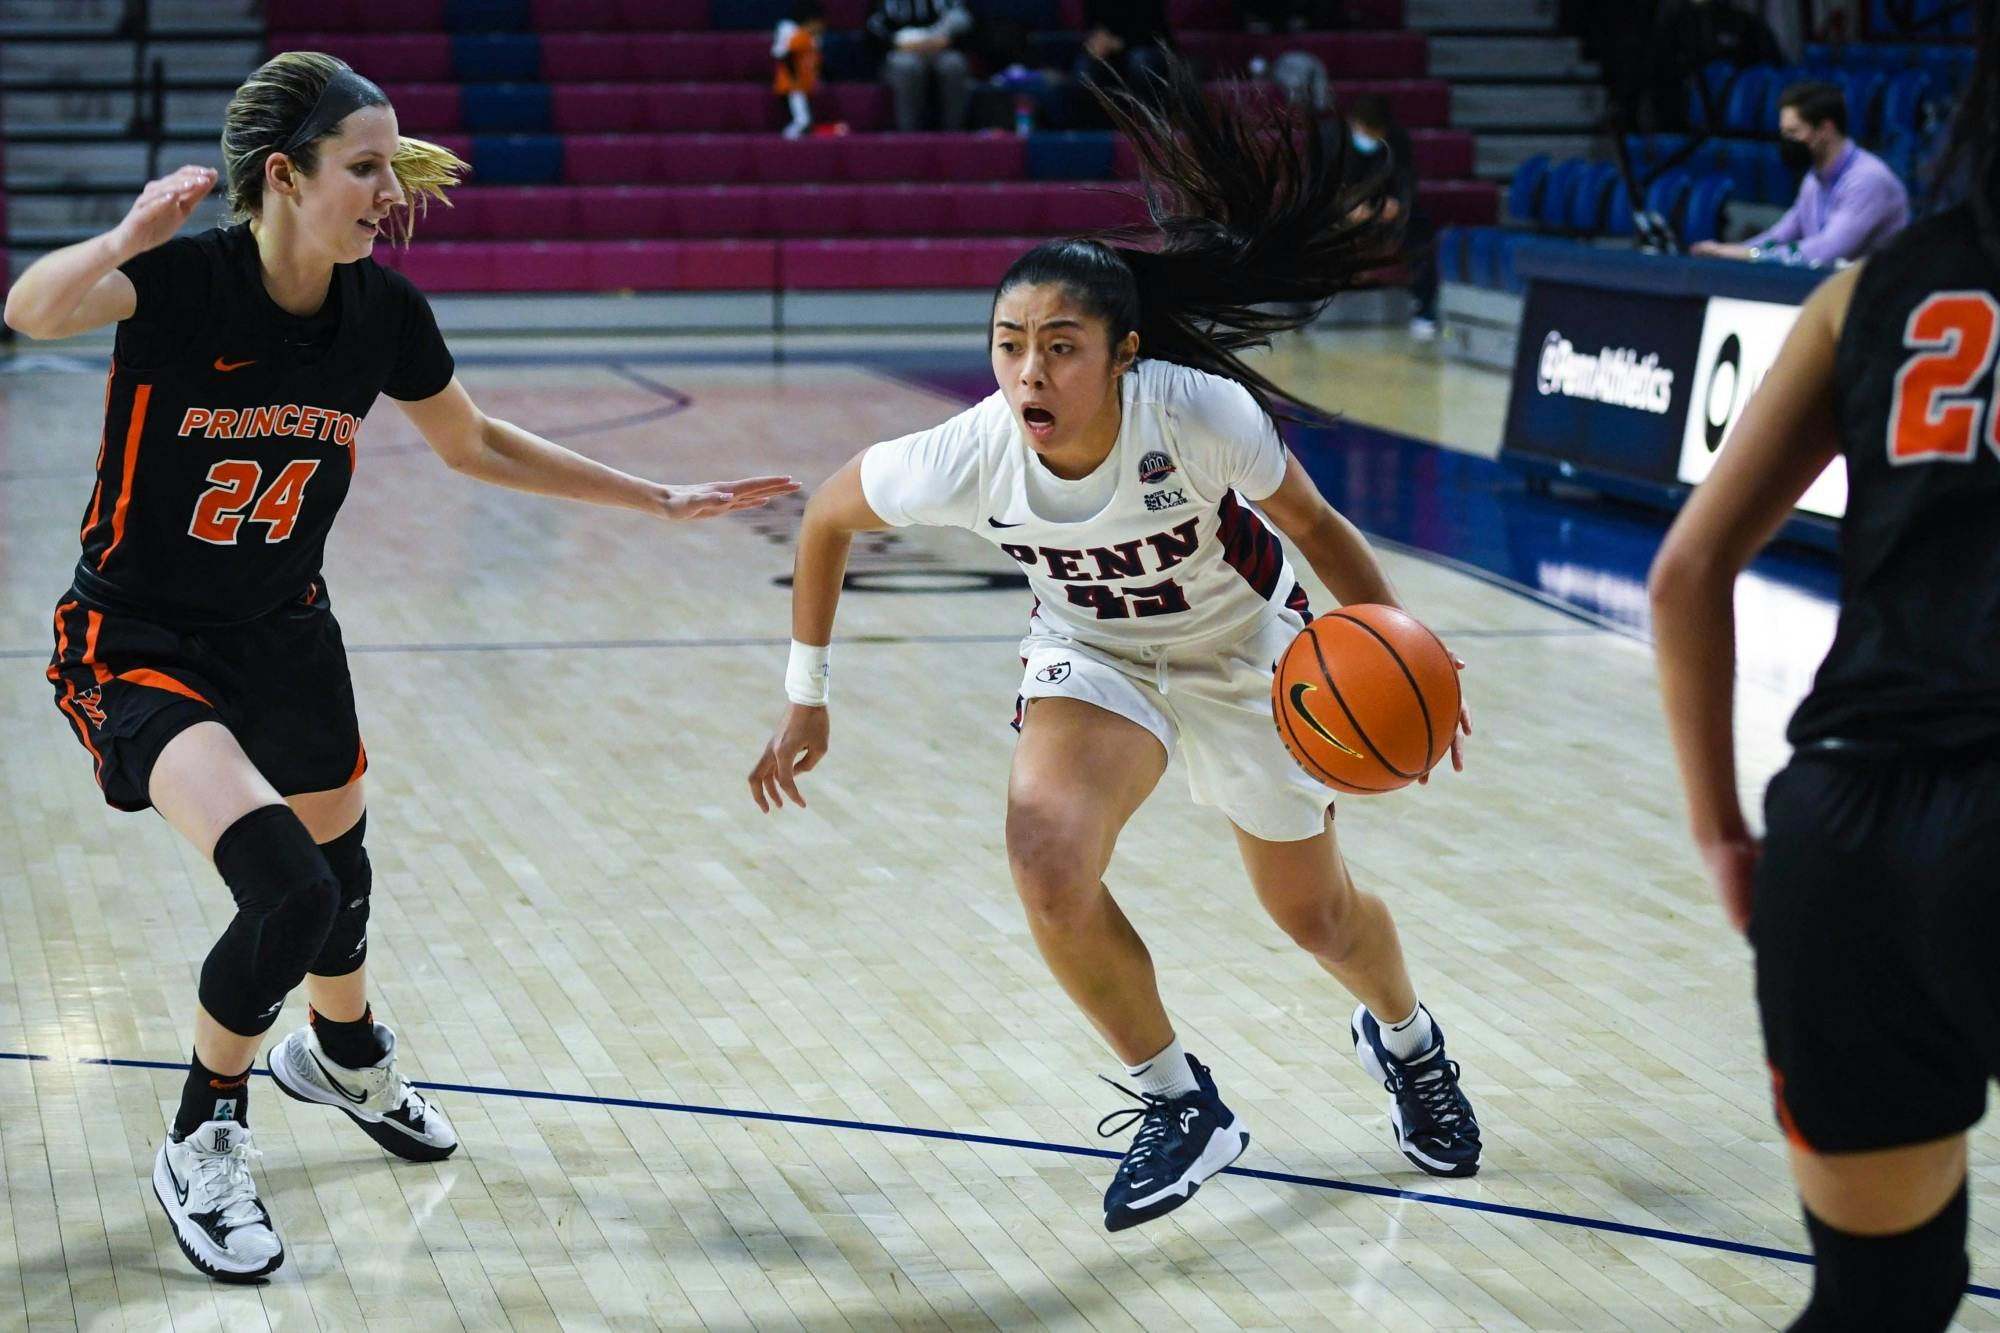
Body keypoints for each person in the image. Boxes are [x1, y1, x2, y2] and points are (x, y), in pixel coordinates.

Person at [3, 52, 796, 1283]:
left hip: (286, 632)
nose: (390, 189)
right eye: (363, 168)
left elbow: (470, 442)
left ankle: (343, 1052)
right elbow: (31, 312)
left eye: (389, 164)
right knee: (288, 894)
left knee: (341, 873)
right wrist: (125, 232)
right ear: (285, 176)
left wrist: (654, 496)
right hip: (138, 640)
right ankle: (204, 1132)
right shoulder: (185, 284)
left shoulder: (381, 308)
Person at [749, 55, 1482, 1234]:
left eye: (1060, 345)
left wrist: (1406, 659)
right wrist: (808, 692)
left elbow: (1317, 529)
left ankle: (1407, 1039)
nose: (1028, 369)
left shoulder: (1197, 416)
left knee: (1313, 917)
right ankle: (1178, 1102)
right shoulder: (969, 451)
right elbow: (830, 515)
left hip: (1248, 651)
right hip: (1094, 653)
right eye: (1007, 342)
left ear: (1125, 352)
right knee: (1044, 852)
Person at [1648, 10, 2000, 1328]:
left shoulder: (1878, 283)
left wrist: (1725, 833)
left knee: (1879, 1303)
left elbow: (1686, 572)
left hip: (1843, 836)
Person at [1692, 80, 1909, 263]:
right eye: (1784, 133)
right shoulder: (1814, 179)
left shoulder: (1868, 179)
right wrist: (1728, 252)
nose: (1787, 141)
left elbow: (1827, 250)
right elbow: (1780, 236)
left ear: (1826, 129)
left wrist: (1750, 255)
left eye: (1794, 132)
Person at [1343, 92, 1437, 339]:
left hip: (1385, 212)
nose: (1371, 137)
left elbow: (1406, 181)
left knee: (1422, 230)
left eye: (1377, 131)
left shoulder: (1398, 140)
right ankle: (1301, 307)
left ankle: (1425, 308)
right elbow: (1320, 186)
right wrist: (1346, 208)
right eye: (1367, 130)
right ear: (1355, 124)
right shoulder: (1335, 139)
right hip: (1340, 215)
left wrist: (1397, 204)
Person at [865, 0, 975, 133]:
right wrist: (897, 44)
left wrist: (945, 40)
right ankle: (908, 133)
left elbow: (966, 22)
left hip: (941, 46)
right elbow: (872, 27)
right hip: (899, 48)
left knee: (954, 64)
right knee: (907, 66)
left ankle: (954, 131)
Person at [1072, 0, 1172, 124]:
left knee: (1140, 61)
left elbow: (1153, 33)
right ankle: (1096, 130)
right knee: (1084, 67)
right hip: (1110, 52)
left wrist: (1117, 43)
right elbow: (1092, 26)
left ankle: (1151, 124)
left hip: (1148, 49)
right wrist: (1095, 41)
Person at [773, 0, 828, 140]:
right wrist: (794, 77)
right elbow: (787, 55)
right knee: (801, 119)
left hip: (804, 85)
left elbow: (815, 63)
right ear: (809, 22)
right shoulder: (800, 37)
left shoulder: (812, 40)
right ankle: (789, 139)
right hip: (794, 85)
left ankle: (798, 138)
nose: (822, 27)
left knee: (805, 118)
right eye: (819, 23)